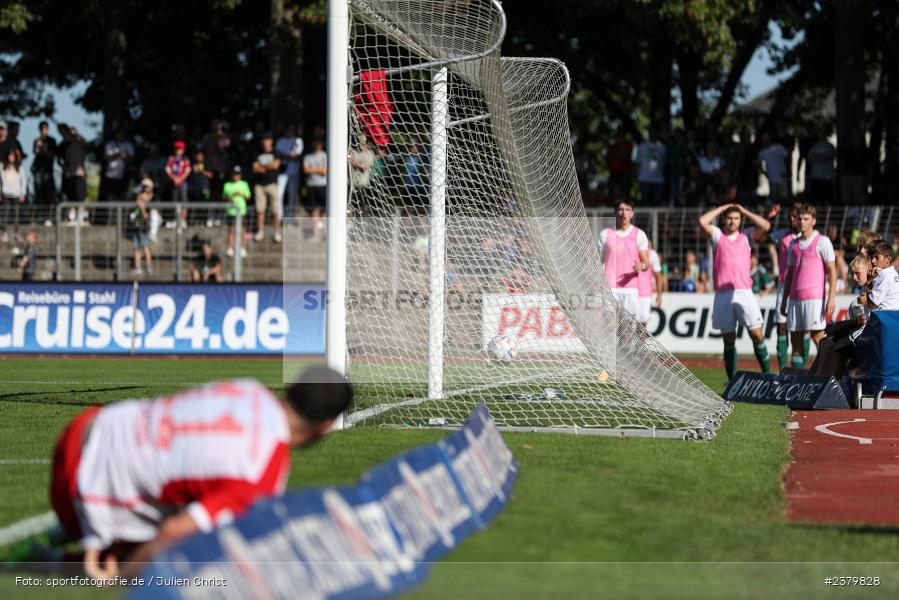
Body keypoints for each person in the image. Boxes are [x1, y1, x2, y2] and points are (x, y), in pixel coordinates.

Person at [44, 368, 352, 579]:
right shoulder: (263, 471)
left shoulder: (249, 388)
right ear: (326, 425)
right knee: (204, 556)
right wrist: (122, 580)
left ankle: (66, 537)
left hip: (87, 425)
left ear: (290, 389)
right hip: (80, 486)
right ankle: (55, 556)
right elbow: (176, 531)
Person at [699, 203, 772, 380]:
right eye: (730, 218)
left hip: (744, 292)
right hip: (723, 293)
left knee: (757, 334)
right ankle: (732, 381)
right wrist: (722, 208)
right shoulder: (718, 236)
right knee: (728, 338)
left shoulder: (746, 236)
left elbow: (766, 226)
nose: (733, 221)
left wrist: (745, 210)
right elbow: (702, 221)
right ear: (724, 220)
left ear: (740, 220)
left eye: (736, 218)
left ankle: (769, 377)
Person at [779, 204, 838, 369]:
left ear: (813, 221)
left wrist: (831, 298)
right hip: (795, 299)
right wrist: (785, 299)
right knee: (796, 340)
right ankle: (798, 382)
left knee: (818, 336)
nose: (802, 222)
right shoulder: (793, 244)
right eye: (799, 218)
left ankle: (832, 373)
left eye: (806, 219)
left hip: (814, 298)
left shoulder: (822, 242)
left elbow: (832, 271)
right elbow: (790, 274)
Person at [598, 199, 650, 320]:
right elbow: (599, 260)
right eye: (621, 209)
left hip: (630, 288)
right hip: (609, 286)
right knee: (609, 324)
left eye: (627, 210)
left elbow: (646, 262)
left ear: (632, 213)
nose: (624, 213)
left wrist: (641, 266)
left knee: (627, 330)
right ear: (615, 212)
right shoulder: (605, 234)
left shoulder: (639, 234)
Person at [768, 202, 802, 371]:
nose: (792, 219)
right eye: (790, 216)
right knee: (781, 327)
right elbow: (763, 236)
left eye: (795, 216)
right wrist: (770, 218)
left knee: (800, 330)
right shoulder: (783, 235)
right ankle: (782, 371)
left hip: (801, 287)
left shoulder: (810, 238)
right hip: (783, 285)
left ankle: (800, 372)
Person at [252, 132, 282, 243]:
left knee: (275, 210)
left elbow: (276, 165)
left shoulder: (276, 153)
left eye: (268, 139)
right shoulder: (257, 153)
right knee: (260, 209)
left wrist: (262, 166)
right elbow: (255, 168)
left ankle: (277, 232)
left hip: (272, 184)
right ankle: (260, 231)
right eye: (264, 139)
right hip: (260, 185)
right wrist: (268, 166)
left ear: (271, 141)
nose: (265, 142)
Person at [275, 124, 303, 220]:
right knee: (279, 194)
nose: (289, 132)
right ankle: (279, 216)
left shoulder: (298, 141)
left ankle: (290, 217)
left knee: (292, 195)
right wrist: (289, 156)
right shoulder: (280, 141)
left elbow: (297, 156)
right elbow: (277, 154)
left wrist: (286, 156)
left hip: (293, 171)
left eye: (291, 130)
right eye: (288, 130)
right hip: (282, 171)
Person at [31, 121, 57, 223]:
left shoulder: (51, 141)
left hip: (48, 170)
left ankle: (51, 214)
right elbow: (35, 153)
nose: (43, 130)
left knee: (50, 192)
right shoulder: (36, 140)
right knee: (39, 191)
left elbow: (52, 155)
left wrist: (42, 147)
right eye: (42, 128)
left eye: (45, 128)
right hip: (38, 170)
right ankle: (39, 213)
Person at [303, 138, 327, 240]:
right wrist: (318, 169)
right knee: (314, 210)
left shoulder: (325, 155)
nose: (317, 144)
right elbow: (305, 170)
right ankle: (316, 234)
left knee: (325, 210)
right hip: (311, 186)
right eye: (315, 142)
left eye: (319, 142)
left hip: (323, 185)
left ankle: (326, 233)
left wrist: (312, 169)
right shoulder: (307, 157)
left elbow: (324, 171)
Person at [224, 165, 250, 258]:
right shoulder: (227, 185)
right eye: (234, 174)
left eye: (238, 174)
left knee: (243, 230)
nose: (236, 176)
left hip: (242, 211)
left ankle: (243, 248)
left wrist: (241, 194)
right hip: (231, 211)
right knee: (231, 230)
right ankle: (230, 248)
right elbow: (224, 197)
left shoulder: (244, 184)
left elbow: (248, 197)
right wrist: (231, 197)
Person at [635, 127, 666, 204]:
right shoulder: (642, 146)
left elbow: (664, 163)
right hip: (644, 179)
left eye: (654, 132)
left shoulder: (662, 147)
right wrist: (637, 177)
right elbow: (637, 163)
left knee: (657, 203)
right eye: (651, 132)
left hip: (658, 179)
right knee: (645, 202)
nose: (652, 134)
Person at [0, 148, 27, 238]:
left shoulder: (19, 167)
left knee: (16, 214)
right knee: (5, 213)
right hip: (6, 193)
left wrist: (23, 193)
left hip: (16, 194)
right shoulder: (2, 166)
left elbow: (23, 181)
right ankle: (4, 232)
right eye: (9, 156)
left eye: (12, 156)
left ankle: (16, 232)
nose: (11, 158)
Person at [165, 140, 192, 228]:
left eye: (180, 148)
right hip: (174, 183)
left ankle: (183, 220)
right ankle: (176, 219)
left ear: (183, 150)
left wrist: (180, 179)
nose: (178, 150)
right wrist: (175, 179)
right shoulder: (171, 159)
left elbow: (188, 171)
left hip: (183, 184)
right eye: (177, 148)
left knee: (184, 201)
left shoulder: (185, 159)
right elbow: (168, 170)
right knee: (175, 201)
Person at [636, 239, 663, 326]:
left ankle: (640, 340)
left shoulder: (652, 254)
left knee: (642, 325)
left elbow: (658, 277)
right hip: (631, 292)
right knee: (627, 325)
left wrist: (659, 296)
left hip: (645, 295)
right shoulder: (632, 252)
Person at [757, 133, 789, 203]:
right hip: (772, 177)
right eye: (763, 139)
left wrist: (787, 171)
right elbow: (758, 164)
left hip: (782, 175)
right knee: (774, 198)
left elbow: (787, 158)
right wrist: (764, 173)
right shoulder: (762, 152)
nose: (765, 140)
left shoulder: (779, 147)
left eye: (766, 138)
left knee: (784, 197)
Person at [128, 185, 153, 276]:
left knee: (145, 246)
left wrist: (142, 208)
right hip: (136, 228)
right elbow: (131, 217)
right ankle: (137, 267)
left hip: (143, 229)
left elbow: (147, 217)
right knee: (136, 247)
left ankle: (149, 266)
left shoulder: (146, 206)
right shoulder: (134, 207)